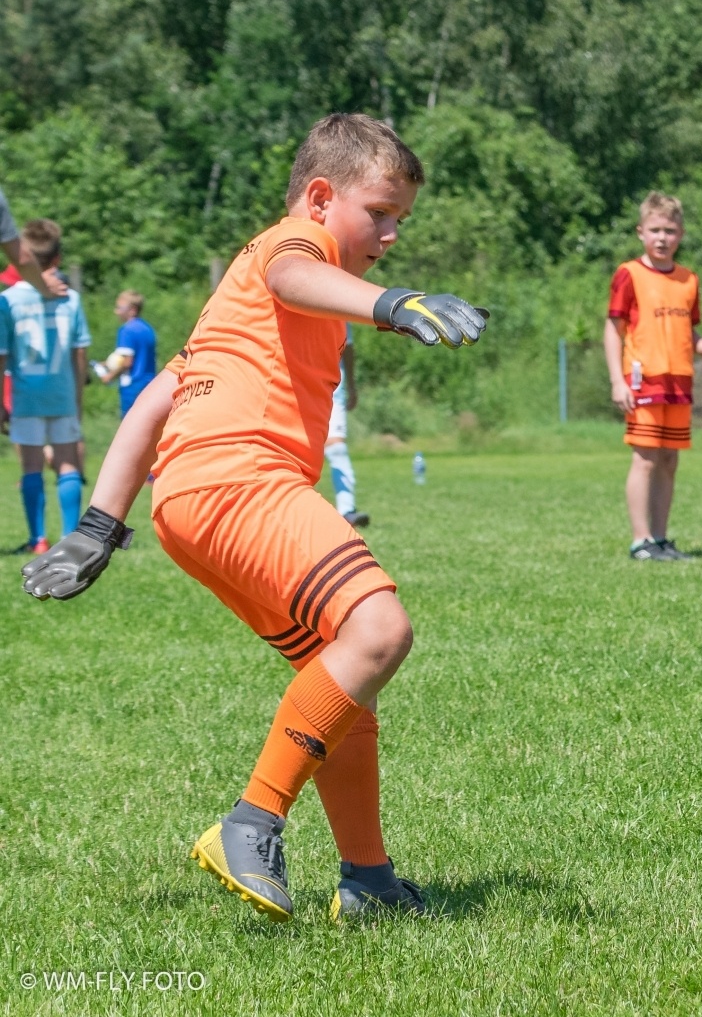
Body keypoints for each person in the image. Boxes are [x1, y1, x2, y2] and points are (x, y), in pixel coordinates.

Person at [21, 112, 489, 923]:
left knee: (346, 683)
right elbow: (295, 277)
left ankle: (369, 880)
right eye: (379, 212)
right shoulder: (286, 250)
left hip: (191, 502)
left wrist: (97, 527)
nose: (391, 233)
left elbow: (153, 405)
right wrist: (393, 303)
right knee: (379, 631)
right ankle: (253, 819)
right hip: (242, 482)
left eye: (400, 220)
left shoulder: (232, 303)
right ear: (318, 197)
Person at [604, 192, 702, 562]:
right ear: (641, 232)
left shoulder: (689, 280)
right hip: (644, 379)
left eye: (670, 231)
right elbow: (613, 327)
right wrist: (617, 380)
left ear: (681, 234)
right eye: (655, 230)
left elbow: (689, 329)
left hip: (679, 382)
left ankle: (659, 537)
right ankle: (640, 540)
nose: (662, 238)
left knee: (669, 461)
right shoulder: (629, 273)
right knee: (645, 459)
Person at [0, 220, 90, 554]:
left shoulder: (7, 300)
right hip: (62, 392)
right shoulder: (71, 299)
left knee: (31, 467)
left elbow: (1, 355)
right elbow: (80, 353)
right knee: (67, 462)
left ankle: (38, 538)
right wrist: (77, 395)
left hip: (26, 395)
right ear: (58, 257)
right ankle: (70, 538)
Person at [324, 327, 369, 527]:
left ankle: (347, 510)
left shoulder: (337, 304)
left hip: (333, 384)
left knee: (337, 448)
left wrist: (351, 384)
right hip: (293, 382)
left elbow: (348, 346)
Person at [95, 290, 159, 416]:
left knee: (130, 426)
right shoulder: (148, 329)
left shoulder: (126, 330)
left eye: (120, 308)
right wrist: (106, 364)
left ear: (132, 310)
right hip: (150, 383)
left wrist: (109, 377)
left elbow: (127, 362)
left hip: (132, 386)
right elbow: (141, 357)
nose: (116, 311)